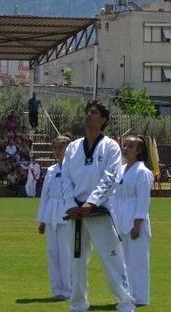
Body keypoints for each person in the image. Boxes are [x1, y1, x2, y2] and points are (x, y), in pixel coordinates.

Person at [60, 100, 134, 312]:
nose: (88, 115)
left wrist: (91, 203)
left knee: (112, 258)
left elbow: (110, 178)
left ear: (103, 120)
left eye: (93, 113)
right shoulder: (73, 148)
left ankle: (125, 302)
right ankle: (78, 303)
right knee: (77, 261)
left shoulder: (110, 146)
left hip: (100, 212)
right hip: (75, 214)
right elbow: (65, 180)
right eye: (86, 112)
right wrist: (70, 205)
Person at [111, 135, 154, 307]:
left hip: (135, 219)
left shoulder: (142, 172)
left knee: (137, 261)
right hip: (120, 218)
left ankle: (140, 297)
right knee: (122, 261)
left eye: (130, 146)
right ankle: (125, 295)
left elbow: (143, 200)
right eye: (125, 145)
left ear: (139, 150)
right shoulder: (120, 169)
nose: (126, 148)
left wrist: (137, 224)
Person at [37, 134, 72, 301]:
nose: (58, 151)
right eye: (55, 147)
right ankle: (57, 289)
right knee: (53, 253)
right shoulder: (51, 170)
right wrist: (42, 220)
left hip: (67, 213)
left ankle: (69, 290)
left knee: (66, 254)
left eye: (61, 147)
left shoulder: (73, 168)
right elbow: (45, 196)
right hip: (51, 214)